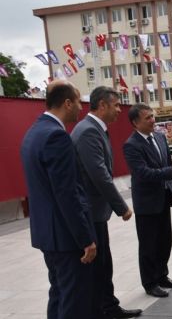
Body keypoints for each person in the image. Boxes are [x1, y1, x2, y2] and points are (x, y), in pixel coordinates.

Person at [20, 80, 97, 319]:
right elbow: (66, 193)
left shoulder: (34, 132)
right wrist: (85, 239)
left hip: (48, 234)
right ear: (67, 103)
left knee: (60, 294)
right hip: (66, 237)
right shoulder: (56, 137)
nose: (80, 109)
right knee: (74, 299)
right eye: (77, 102)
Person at [70, 86, 142, 319]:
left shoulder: (94, 128)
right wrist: (121, 207)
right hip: (90, 212)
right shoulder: (88, 131)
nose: (120, 110)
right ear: (102, 105)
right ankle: (103, 310)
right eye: (116, 105)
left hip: (95, 211)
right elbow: (98, 173)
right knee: (98, 266)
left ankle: (109, 306)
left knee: (104, 264)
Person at [122, 104, 172, 298]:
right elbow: (144, 173)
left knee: (164, 241)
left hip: (164, 198)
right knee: (148, 245)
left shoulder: (159, 137)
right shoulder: (131, 145)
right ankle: (150, 283)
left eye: (152, 116)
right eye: (147, 118)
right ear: (135, 123)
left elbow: (167, 164)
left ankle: (162, 275)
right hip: (147, 204)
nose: (153, 120)